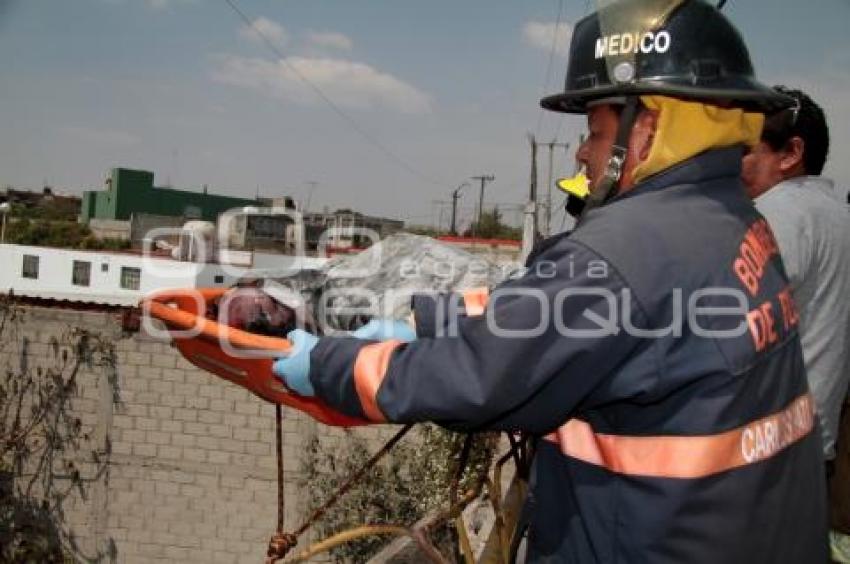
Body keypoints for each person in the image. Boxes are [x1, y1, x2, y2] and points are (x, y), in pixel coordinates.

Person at [274, 1, 828, 561]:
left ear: (651, 128)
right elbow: (549, 314)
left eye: (594, 131)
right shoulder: (731, 221)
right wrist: (426, 324)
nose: (583, 154)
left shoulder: (628, 248)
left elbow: (479, 380)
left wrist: (327, 365)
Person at [742, 86, 850, 461]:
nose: (734, 163)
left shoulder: (775, 214)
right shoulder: (837, 215)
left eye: (746, 149)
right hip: (814, 448)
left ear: (791, 153)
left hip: (770, 455)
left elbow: (727, 331)